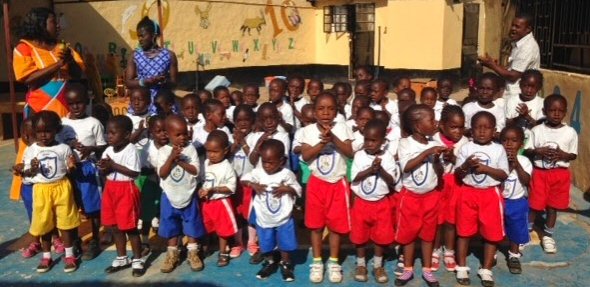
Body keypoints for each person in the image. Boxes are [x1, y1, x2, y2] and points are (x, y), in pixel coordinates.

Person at [11, 7, 85, 204]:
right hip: (40, 110)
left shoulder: (62, 47)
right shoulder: (24, 48)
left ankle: (70, 201)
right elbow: (27, 78)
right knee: (37, 152)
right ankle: (37, 204)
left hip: (67, 110)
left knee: (67, 151)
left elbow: (78, 73)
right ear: (40, 24)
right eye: (54, 21)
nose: (58, 25)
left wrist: (69, 61)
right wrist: (58, 65)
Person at [300, 93, 353, 283]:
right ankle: (317, 261)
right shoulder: (308, 131)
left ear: (336, 111)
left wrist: (334, 140)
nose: (326, 113)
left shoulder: (343, 128)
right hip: (317, 184)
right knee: (315, 226)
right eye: (321, 109)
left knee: (336, 227)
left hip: (337, 184)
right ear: (314, 112)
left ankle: (333, 261)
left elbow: (349, 152)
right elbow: (306, 156)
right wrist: (322, 143)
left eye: (330, 108)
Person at [454, 111, 509, 287]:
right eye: (478, 127)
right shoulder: (466, 148)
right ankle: (461, 265)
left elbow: (503, 174)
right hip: (468, 192)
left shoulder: (498, 149)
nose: (482, 132)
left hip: (490, 194)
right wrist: (465, 165)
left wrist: (486, 169)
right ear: (471, 130)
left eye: (487, 128)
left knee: (492, 233)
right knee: (463, 231)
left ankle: (486, 269)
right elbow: (458, 174)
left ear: (494, 131)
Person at [395, 104, 446, 287]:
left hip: (431, 197)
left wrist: (439, 160)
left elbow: (439, 173)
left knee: (427, 235)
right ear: (417, 126)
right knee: (408, 235)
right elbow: (406, 167)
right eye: (431, 120)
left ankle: (427, 269)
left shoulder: (434, 144)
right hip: (410, 197)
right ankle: (407, 268)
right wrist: (426, 153)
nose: (435, 123)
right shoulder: (405, 143)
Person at [22, 111, 79, 273]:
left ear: (57, 130)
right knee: (44, 223)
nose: (43, 135)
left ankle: (69, 255)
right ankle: (47, 256)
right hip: (41, 190)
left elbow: (70, 170)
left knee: (66, 223)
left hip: (62, 187)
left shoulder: (63, 148)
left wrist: (72, 166)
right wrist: (31, 169)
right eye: (39, 132)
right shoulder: (31, 150)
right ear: (34, 131)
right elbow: (26, 174)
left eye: (47, 131)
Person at [241, 139, 302, 281]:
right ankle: (270, 262)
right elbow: (243, 180)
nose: (267, 166)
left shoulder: (287, 174)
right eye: (264, 162)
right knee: (266, 244)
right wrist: (253, 185)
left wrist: (287, 188)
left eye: (271, 162)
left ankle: (286, 264)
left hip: (283, 217)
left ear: (281, 161)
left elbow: (298, 190)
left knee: (285, 243)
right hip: (264, 217)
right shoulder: (258, 172)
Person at [524, 94, 577, 254]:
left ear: (565, 112)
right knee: (534, 205)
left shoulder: (570, 132)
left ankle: (548, 235)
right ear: (544, 111)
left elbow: (573, 154)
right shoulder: (537, 130)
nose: (556, 114)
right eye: (552, 110)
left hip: (559, 174)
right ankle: (525, 232)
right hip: (540, 173)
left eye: (560, 111)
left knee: (553, 207)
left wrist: (563, 155)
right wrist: (537, 151)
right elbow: (527, 149)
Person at [60, 84, 106, 261]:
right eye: (72, 103)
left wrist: (91, 148)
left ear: (87, 102)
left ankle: (95, 239)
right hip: (68, 170)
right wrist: (69, 146)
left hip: (88, 168)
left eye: (80, 103)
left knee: (92, 207)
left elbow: (102, 145)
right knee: (70, 205)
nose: (76, 107)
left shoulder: (93, 123)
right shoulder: (63, 123)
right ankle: (74, 240)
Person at [350, 120, 398, 284]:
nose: (369, 144)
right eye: (366, 140)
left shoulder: (388, 157)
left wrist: (381, 170)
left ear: (383, 141)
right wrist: (371, 170)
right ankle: (361, 264)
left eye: (373, 140)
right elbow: (354, 177)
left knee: (381, 236)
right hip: (362, 203)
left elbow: (392, 180)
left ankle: (378, 264)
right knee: (360, 236)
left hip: (380, 203)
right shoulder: (359, 155)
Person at [99, 115, 146, 277]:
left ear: (126, 135)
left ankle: (138, 259)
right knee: (114, 226)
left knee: (130, 227)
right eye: (107, 133)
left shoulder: (131, 150)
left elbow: (134, 172)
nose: (109, 136)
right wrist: (104, 167)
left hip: (126, 189)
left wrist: (112, 165)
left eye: (113, 133)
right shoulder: (108, 150)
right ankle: (122, 257)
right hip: (110, 188)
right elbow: (104, 170)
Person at [157, 115, 205, 273]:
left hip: (188, 195)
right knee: (171, 226)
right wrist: (171, 158)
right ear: (168, 134)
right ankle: (172, 254)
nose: (182, 137)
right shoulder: (163, 151)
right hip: (169, 196)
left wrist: (181, 162)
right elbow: (162, 173)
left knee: (191, 225)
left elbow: (196, 171)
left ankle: (193, 253)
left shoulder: (190, 150)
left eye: (184, 133)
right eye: (178, 134)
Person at [431, 105, 468, 272]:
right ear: (441, 126)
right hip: (438, 184)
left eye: (461, 127)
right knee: (438, 221)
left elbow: (465, 168)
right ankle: (435, 249)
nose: (458, 131)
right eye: (453, 127)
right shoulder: (433, 140)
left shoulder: (465, 143)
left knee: (451, 221)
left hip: (456, 184)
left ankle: (449, 250)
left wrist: (454, 159)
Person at [199, 131, 238, 267]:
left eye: (215, 151)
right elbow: (204, 181)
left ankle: (223, 252)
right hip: (207, 203)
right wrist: (202, 190)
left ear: (225, 150)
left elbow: (231, 187)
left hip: (221, 202)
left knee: (223, 230)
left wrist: (214, 189)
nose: (211, 155)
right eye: (209, 151)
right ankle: (205, 247)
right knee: (206, 226)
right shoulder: (206, 163)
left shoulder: (227, 167)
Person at [478, 13, 540, 99]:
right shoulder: (519, 44)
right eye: (512, 25)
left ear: (528, 29)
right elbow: (513, 69)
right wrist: (495, 65)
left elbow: (513, 76)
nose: (512, 29)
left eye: (517, 27)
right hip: (510, 94)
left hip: (518, 97)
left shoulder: (528, 47)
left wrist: (492, 65)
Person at [125, 16, 178, 114]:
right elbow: (128, 82)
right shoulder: (134, 55)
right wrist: (145, 82)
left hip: (163, 103)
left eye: (143, 36)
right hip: (142, 104)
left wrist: (163, 81)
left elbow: (174, 82)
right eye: (138, 36)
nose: (140, 39)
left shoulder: (169, 55)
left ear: (153, 35)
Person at [230, 105, 262, 263]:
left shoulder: (256, 137)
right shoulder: (230, 136)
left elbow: (254, 159)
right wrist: (235, 143)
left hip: (250, 183)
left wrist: (242, 142)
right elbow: (225, 154)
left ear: (253, 121)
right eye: (239, 120)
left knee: (250, 215)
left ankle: (251, 241)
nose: (243, 123)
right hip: (235, 183)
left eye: (246, 120)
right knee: (237, 213)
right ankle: (238, 242)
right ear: (234, 122)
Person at [500, 125, 532, 275]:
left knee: (516, 229)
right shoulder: (497, 159)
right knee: (495, 227)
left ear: (521, 144)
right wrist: (507, 167)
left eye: (514, 140)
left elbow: (526, 180)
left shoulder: (524, 161)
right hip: (499, 201)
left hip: (517, 201)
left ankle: (513, 255)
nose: (509, 144)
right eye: (505, 140)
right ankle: (491, 251)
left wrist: (516, 165)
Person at [248, 103, 291, 168]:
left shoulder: (283, 136)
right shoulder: (256, 137)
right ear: (260, 122)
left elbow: (283, 161)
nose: (269, 122)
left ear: (278, 118)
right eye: (264, 119)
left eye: (273, 118)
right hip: (260, 176)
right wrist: (258, 145)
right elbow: (252, 161)